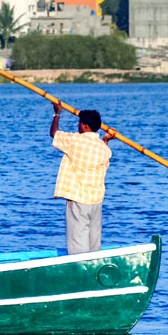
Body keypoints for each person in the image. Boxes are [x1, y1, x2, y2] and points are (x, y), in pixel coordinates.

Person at [50, 100, 115, 254]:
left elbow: (54, 134)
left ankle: (81, 272)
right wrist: (106, 140)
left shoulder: (76, 141)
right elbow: (102, 156)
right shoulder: (104, 149)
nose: (78, 126)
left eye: (79, 123)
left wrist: (57, 113)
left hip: (79, 199)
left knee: (77, 243)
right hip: (96, 201)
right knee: (94, 243)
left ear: (85, 126)